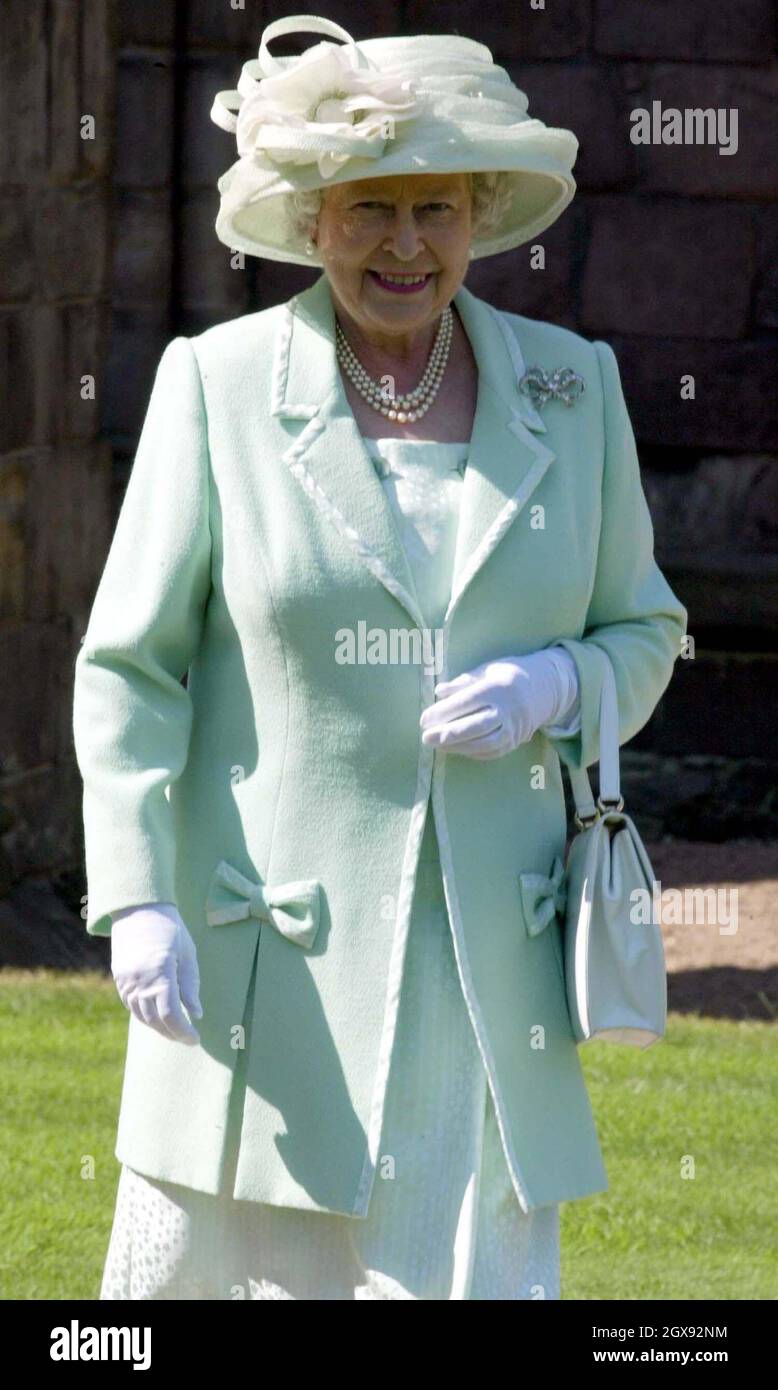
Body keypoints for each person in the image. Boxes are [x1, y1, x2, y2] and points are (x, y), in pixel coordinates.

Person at [73, 15, 688, 1300]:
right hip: (265, 965)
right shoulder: (218, 385)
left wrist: (556, 685)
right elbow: (130, 664)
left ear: (478, 213)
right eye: (369, 209)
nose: (404, 245)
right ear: (311, 219)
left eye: (433, 208)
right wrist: (135, 894)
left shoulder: (575, 389)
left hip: (481, 973)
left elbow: (645, 628)